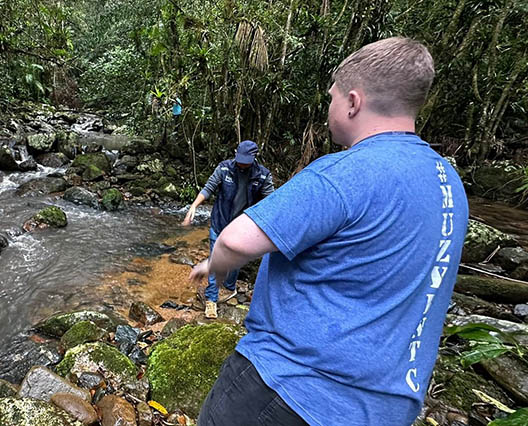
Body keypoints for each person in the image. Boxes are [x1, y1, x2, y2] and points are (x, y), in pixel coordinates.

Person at [190, 37, 468, 426]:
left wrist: (214, 264)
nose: (329, 108)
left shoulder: (344, 172)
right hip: (388, 407)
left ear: (353, 102)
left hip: (290, 390)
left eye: (331, 98)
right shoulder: (447, 182)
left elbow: (235, 239)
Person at [182, 139, 274, 319]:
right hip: (220, 222)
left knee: (236, 260)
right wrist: (193, 206)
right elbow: (208, 188)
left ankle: (230, 288)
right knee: (216, 258)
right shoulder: (224, 168)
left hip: (242, 228)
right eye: (239, 159)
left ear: (255, 158)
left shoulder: (262, 176)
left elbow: (272, 201)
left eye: (246, 161)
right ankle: (211, 299)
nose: (241, 164)